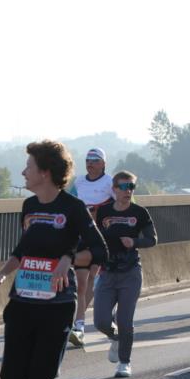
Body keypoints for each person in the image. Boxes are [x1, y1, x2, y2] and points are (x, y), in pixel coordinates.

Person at [0, 140, 107, 379]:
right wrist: (0, 275)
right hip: (22, 302)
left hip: (56, 308)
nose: (23, 171)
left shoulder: (73, 208)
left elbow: (99, 250)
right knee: (10, 376)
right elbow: (23, 248)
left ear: (46, 172)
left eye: (29, 166)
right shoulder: (28, 205)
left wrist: (67, 259)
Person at [92, 170, 157, 378]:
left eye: (131, 187)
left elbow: (152, 239)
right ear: (114, 189)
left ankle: (124, 362)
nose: (127, 191)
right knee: (100, 321)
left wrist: (135, 242)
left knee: (125, 319)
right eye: (123, 187)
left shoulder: (139, 212)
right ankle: (116, 337)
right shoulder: (103, 213)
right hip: (107, 272)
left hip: (130, 272)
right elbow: (95, 237)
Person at [67, 147, 115, 346]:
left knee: (93, 277)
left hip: (103, 237)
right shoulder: (78, 182)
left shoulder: (111, 182)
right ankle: (78, 325)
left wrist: (102, 214)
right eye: (88, 159)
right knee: (81, 282)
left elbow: (125, 205)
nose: (91, 163)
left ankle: (79, 324)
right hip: (82, 235)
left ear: (103, 163)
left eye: (95, 160)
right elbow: (68, 203)